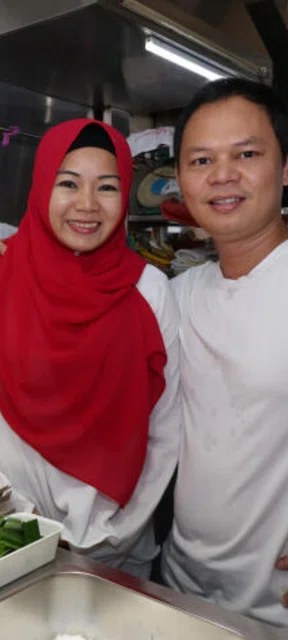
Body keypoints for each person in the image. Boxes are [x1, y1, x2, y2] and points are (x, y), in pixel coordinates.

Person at [156, 79, 288, 639]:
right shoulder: (176, 296)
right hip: (178, 591)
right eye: (201, 160)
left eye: (246, 154)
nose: (222, 175)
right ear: (180, 178)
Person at [0, 119, 179, 578]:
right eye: (68, 183)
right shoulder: (5, 274)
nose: (86, 205)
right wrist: (16, 515)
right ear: (41, 186)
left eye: (106, 187)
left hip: (118, 547)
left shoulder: (150, 289)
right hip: (12, 532)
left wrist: (116, 534)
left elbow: (165, 427)